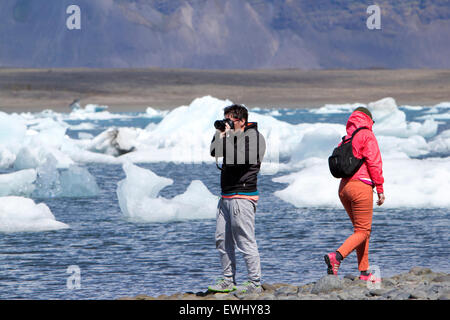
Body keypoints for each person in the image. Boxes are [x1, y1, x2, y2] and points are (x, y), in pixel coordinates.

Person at [208, 104, 266, 294]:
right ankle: (227, 279)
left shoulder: (254, 137)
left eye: (230, 120)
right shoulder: (231, 135)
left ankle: (254, 281)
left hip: (242, 195)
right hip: (225, 195)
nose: (227, 123)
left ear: (241, 120)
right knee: (222, 240)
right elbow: (215, 152)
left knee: (245, 240)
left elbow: (239, 159)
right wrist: (220, 135)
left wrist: (230, 136)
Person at [324, 106, 385, 282]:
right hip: (361, 187)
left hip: (344, 189)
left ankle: (364, 272)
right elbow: (374, 163)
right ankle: (337, 256)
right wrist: (380, 189)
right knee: (363, 230)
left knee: (361, 231)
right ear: (368, 119)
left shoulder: (346, 139)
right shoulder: (367, 135)